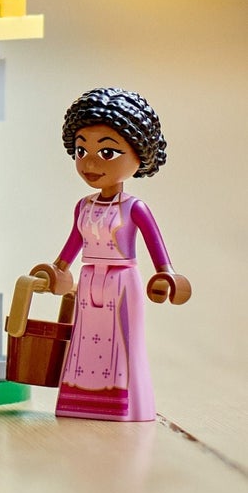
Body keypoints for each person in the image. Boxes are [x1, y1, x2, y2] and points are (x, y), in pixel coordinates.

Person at [29, 87, 190, 423]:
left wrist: (166, 275)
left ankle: (123, 405)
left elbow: (157, 249)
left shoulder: (135, 208)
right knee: (84, 341)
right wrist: (56, 270)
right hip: (88, 281)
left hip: (121, 282)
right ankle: (82, 402)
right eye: (81, 150)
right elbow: (73, 244)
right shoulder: (83, 207)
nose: (89, 162)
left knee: (122, 343)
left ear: (139, 155)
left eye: (107, 152)